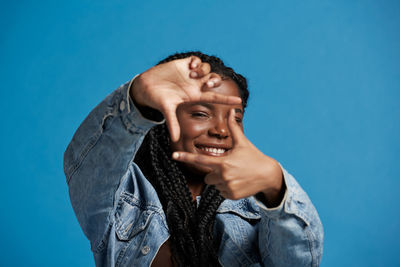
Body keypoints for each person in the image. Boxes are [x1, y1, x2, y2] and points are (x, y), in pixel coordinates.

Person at [64, 51, 323, 267]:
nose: (221, 130)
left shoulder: (257, 208)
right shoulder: (126, 197)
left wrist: (275, 183)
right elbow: (90, 162)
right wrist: (136, 101)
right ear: (163, 118)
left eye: (236, 117)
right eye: (201, 113)